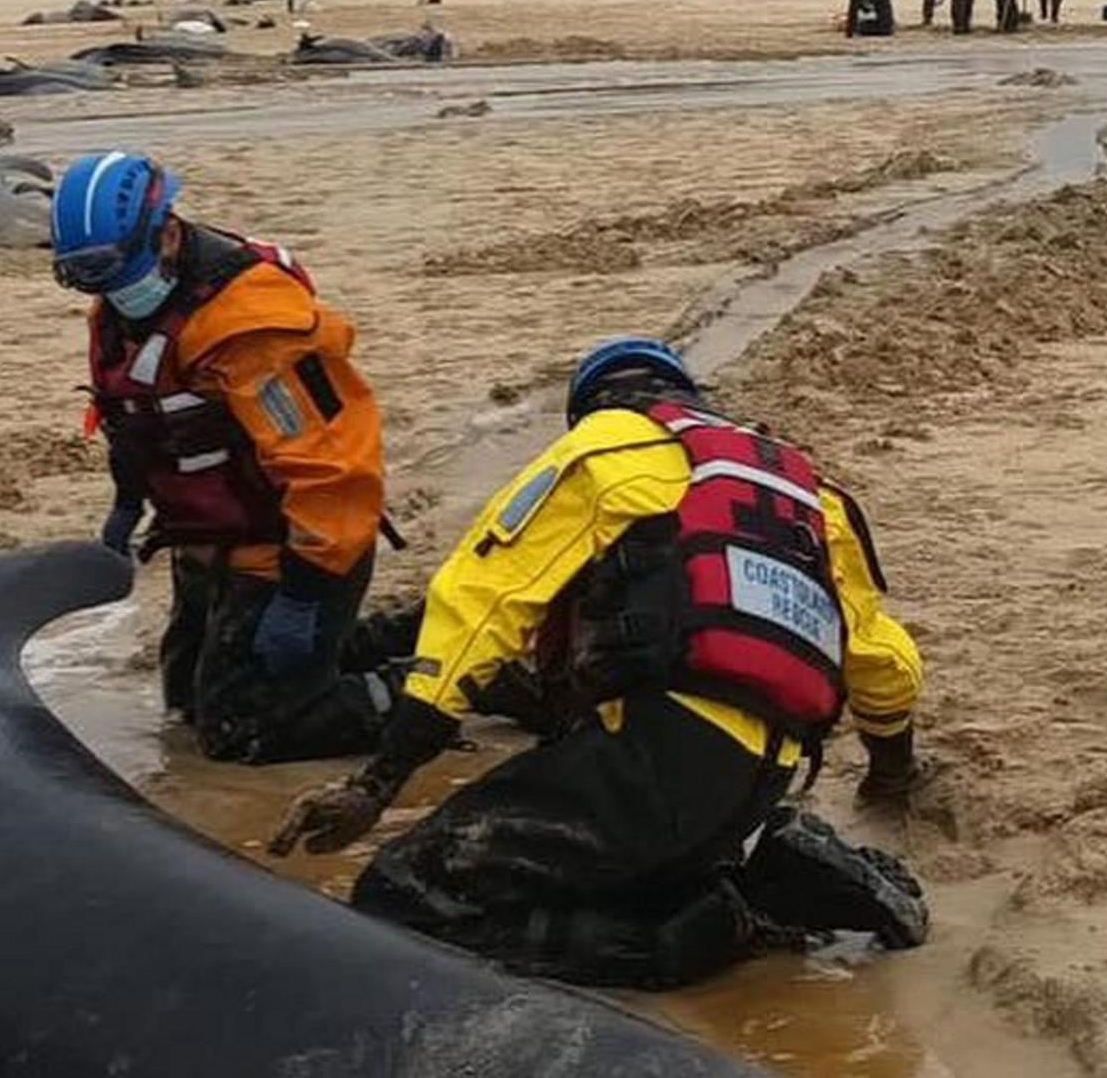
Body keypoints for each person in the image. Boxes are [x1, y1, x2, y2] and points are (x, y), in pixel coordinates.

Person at [270, 336, 930, 989]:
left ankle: (720, 925)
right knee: (622, 857)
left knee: (404, 892)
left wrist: (377, 784)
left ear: (591, 405)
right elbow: (883, 659)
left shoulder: (605, 444)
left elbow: (481, 599)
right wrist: (891, 771)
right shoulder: (809, 493)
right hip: (762, 772)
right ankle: (767, 860)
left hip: (654, 753)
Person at [52, 152, 397, 764]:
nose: (104, 288)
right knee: (184, 703)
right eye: (82, 275)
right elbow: (132, 420)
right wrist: (126, 507)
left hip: (294, 547)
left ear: (169, 233)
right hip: (208, 540)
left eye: (111, 269)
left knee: (243, 732)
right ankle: (362, 649)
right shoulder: (118, 309)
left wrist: (305, 592)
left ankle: (434, 692)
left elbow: (332, 465)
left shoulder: (252, 329)